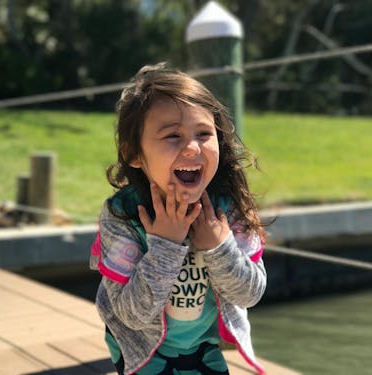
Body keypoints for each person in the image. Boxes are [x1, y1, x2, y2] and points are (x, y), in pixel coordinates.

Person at [90, 63, 267, 375]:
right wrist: (165, 245)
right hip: (141, 350)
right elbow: (132, 315)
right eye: (172, 135)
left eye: (203, 133)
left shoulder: (227, 208)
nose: (192, 147)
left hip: (203, 347)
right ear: (133, 152)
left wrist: (218, 246)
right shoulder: (123, 216)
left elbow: (249, 294)